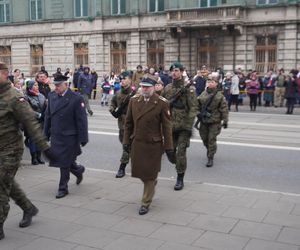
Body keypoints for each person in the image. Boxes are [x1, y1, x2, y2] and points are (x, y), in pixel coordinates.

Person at [0, 62, 54, 240]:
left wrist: (45, 148)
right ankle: (28, 208)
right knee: (7, 182)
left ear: (3, 74)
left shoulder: (14, 97)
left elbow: (31, 123)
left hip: (11, 150)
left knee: (1, 186)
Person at [123, 77, 174, 215]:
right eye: (142, 86)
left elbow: (167, 127)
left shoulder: (162, 103)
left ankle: (145, 202)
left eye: (147, 87)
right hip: (138, 143)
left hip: (153, 145)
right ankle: (151, 184)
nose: (144, 89)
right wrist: (126, 142)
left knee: (150, 175)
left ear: (153, 87)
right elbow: (128, 123)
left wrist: (169, 147)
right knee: (140, 173)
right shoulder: (134, 101)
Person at [44, 74, 88, 199]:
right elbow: (48, 116)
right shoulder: (51, 96)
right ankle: (78, 170)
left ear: (66, 85)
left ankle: (63, 188)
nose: (56, 87)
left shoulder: (76, 98)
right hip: (56, 135)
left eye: (58, 85)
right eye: (55, 85)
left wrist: (83, 137)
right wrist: (45, 133)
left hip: (70, 136)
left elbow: (81, 120)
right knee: (62, 160)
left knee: (63, 163)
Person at [162, 62, 197, 191]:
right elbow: (162, 105)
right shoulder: (167, 88)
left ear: (182, 72)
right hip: (170, 125)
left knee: (181, 153)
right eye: (172, 71)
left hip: (183, 127)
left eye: (177, 70)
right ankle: (179, 165)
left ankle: (180, 178)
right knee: (170, 152)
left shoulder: (189, 88)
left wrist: (188, 125)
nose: (174, 73)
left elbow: (193, 107)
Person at [196, 76, 229, 167]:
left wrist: (225, 121)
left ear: (216, 83)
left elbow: (224, 109)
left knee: (211, 139)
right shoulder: (202, 94)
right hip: (204, 121)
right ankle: (210, 150)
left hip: (215, 121)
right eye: (209, 82)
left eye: (212, 82)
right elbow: (196, 106)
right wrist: (198, 113)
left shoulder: (219, 96)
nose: (210, 83)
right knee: (204, 139)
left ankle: (210, 157)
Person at [109, 71, 135, 178]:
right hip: (121, 124)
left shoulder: (135, 94)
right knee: (125, 144)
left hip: (132, 124)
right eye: (121, 79)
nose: (122, 81)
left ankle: (122, 168)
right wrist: (112, 110)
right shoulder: (118, 93)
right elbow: (113, 103)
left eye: (124, 79)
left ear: (130, 80)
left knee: (126, 145)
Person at [24, 79, 47, 165]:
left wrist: (46, 114)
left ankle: (39, 156)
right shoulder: (26, 97)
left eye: (37, 85)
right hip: (31, 121)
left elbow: (45, 107)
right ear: (30, 87)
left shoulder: (41, 96)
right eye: (35, 85)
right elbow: (27, 109)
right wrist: (39, 115)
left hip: (41, 121)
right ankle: (33, 158)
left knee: (40, 139)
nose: (37, 86)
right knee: (33, 140)